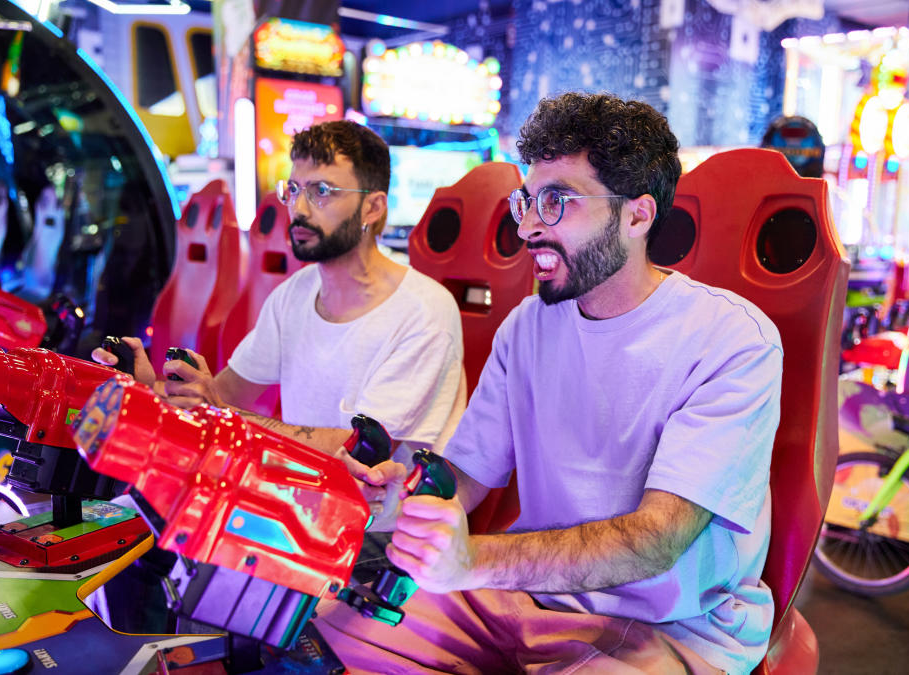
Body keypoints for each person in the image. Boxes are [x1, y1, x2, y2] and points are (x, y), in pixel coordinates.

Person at [313, 93, 783, 674]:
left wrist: (471, 560)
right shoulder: (527, 327)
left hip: (669, 627)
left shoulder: (733, 340)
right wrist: (404, 494)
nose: (529, 227)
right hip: (526, 598)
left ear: (637, 216)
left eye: (557, 201)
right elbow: (463, 477)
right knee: (324, 630)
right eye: (527, 201)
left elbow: (656, 541)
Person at [94, 121, 463, 520]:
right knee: (128, 515)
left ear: (372, 208)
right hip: (294, 506)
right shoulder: (295, 293)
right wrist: (155, 392)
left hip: (380, 538)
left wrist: (222, 413)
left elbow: (363, 449)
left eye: (321, 191)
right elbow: (224, 395)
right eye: (294, 190)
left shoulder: (424, 311)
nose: (299, 209)